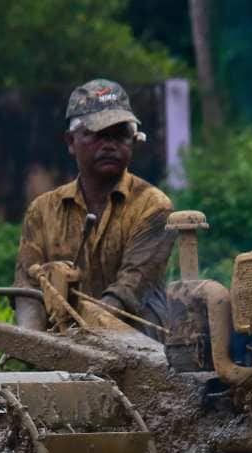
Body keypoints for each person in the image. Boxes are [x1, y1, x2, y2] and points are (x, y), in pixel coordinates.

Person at [13, 78, 174, 338]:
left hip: (141, 354)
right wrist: (32, 345)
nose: (109, 144)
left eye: (120, 134)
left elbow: (130, 289)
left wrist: (80, 341)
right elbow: (27, 291)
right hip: (59, 351)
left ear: (134, 140)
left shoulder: (153, 206)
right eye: (98, 134)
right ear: (70, 142)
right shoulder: (42, 211)